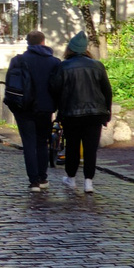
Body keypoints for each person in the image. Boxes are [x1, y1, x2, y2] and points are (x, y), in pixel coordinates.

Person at [2, 31, 63, 192]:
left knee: (29, 143)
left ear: (28, 43)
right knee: (42, 142)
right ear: (43, 42)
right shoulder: (54, 62)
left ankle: (34, 181)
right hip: (45, 108)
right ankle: (43, 177)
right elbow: (59, 87)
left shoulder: (18, 60)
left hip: (23, 107)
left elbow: (10, 84)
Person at [54, 32, 113, 195]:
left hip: (71, 114)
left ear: (69, 49)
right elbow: (107, 91)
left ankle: (71, 178)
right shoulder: (97, 65)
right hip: (95, 114)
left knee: (72, 146)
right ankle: (89, 182)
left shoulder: (63, 66)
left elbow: (56, 90)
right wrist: (107, 111)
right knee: (90, 148)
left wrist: (58, 112)